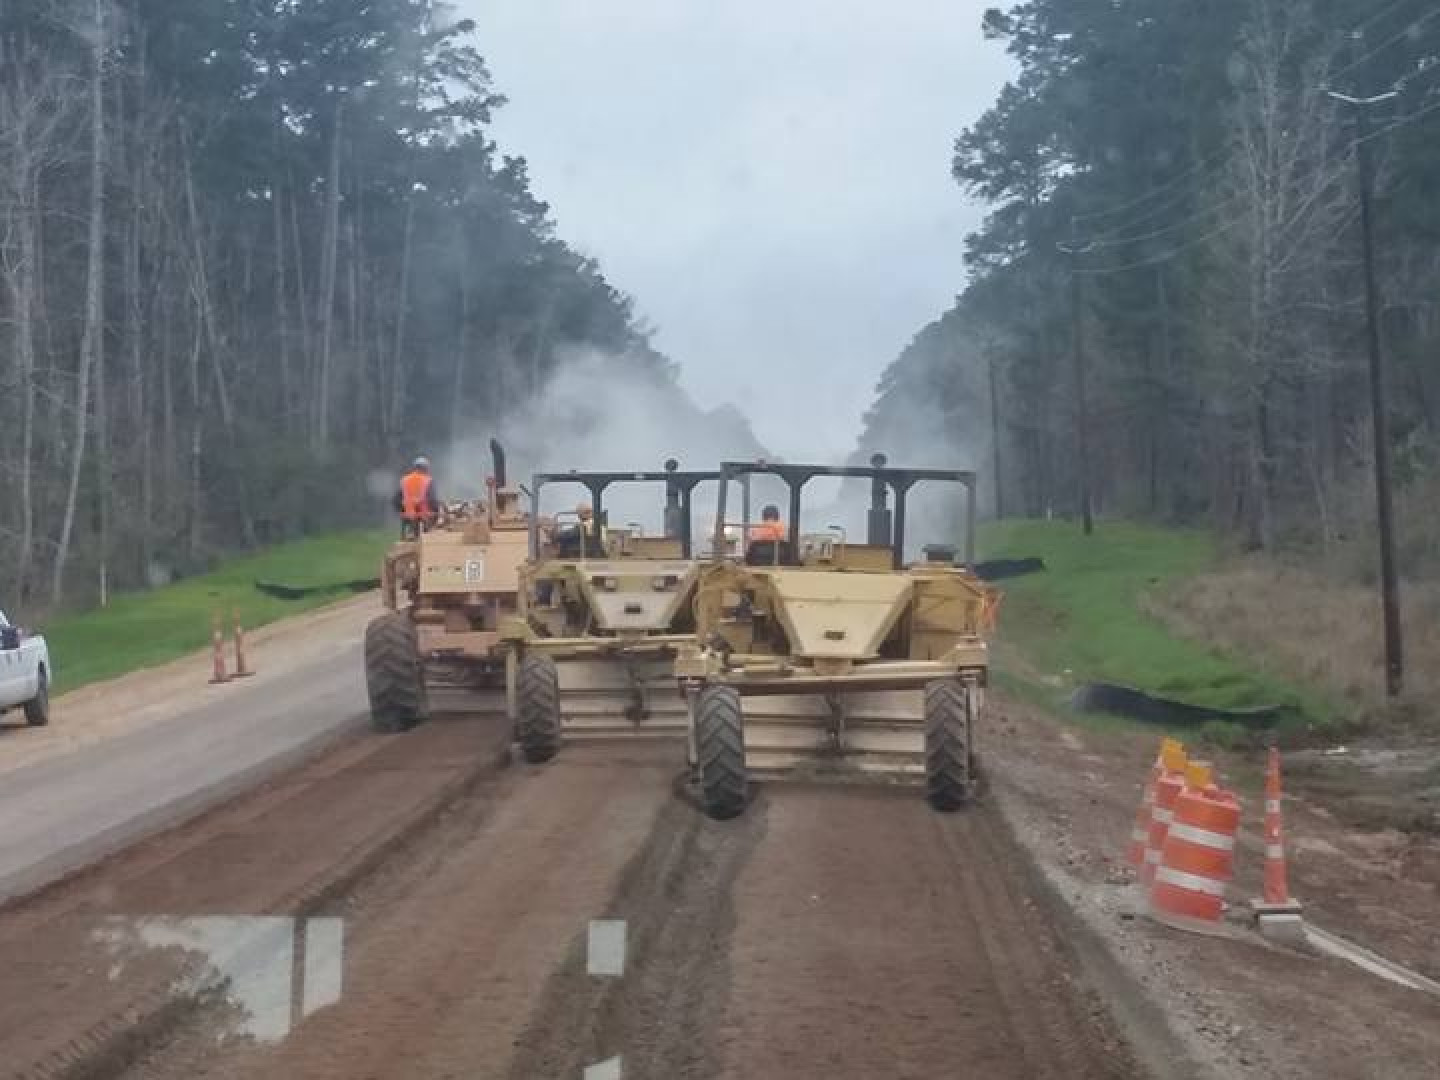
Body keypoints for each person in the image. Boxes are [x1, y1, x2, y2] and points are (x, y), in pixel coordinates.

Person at [395, 456, 440, 538]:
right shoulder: (428, 480)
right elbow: (433, 499)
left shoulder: (405, 480)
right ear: (426, 468)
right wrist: (437, 512)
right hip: (424, 514)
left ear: (415, 467)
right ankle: (426, 534)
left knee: (409, 518)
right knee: (432, 517)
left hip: (408, 513)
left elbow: (396, 499)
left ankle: (410, 533)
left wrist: (401, 510)